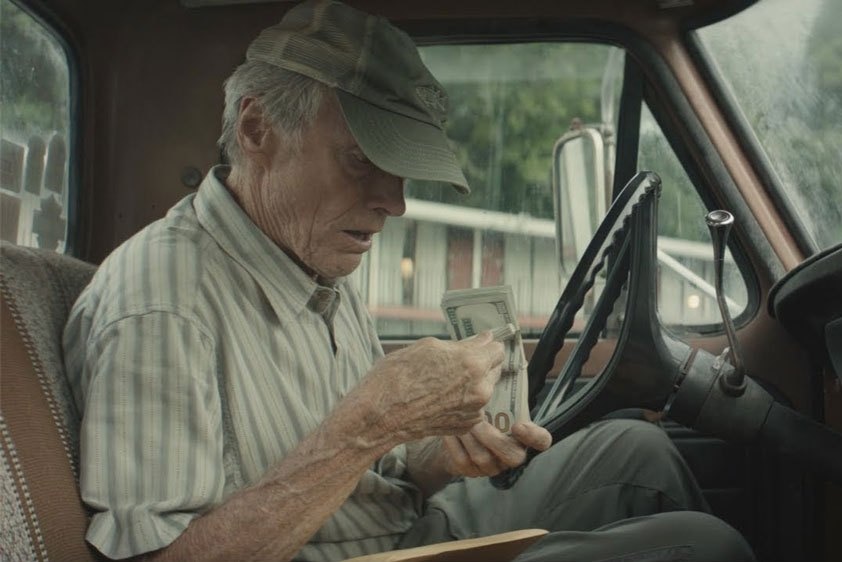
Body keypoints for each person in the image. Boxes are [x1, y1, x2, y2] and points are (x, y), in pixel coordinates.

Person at [62, 1, 755, 561]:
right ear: (256, 129)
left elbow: (374, 478)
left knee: (634, 449)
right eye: (362, 160)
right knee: (704, 545)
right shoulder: (162, 303)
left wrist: (437, 457)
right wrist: (367, 425)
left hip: (402, 527)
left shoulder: (311, 254)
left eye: (399, 171)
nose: (393, 202)